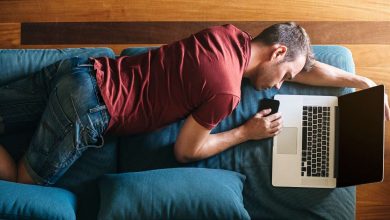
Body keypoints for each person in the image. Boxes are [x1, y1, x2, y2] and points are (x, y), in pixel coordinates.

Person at [0, 22, 388, 185]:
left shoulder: (228, 35)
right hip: (90, 107)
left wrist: (362, 81)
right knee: (23, 181)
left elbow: (303, 66)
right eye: (286, 77)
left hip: (82, 71)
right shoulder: (226, 92)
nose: (283, 85)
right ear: (276, 51)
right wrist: (245, 132)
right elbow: (186, 151)